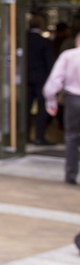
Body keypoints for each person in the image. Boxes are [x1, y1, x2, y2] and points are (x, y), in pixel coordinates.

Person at [44, 34, 80, 184]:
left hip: (73, 99)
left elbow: (55, 79)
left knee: (72, 137)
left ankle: (71, 175)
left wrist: (50, 100)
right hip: (72, 98)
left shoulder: (69, 55)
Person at [26, 15, 56, 145]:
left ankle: (25, 137)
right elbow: (50, 62)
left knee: (25, 109)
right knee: (42, 109)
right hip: (41, 79)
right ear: (41, 26)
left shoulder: (23, 39)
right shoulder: (44, 41)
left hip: (25, 79)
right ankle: (39, 137)